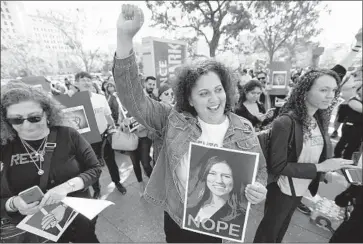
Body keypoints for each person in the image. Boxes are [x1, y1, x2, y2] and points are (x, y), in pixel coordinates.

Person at [113, 5, 267, 243]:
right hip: (178, 219)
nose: (215, 99)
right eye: (204, 93)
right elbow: (133, 98)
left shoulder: (244, 127)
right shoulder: (172, 120)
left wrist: (258, 188)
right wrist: (124, 38)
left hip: (218, 223)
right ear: (190, 100)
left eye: (218, 90)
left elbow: (260, 171)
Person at [253, 36, 362, 242]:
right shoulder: (286, 121)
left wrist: (356, 48)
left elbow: (336, 73)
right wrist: (321, 167)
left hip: (301, 187)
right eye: (323, 90)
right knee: (269, 233)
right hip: (282, 190)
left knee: (280, 230)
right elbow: (278, 166)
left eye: (333, 91)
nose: (330, 95)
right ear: (305, 92)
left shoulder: (319, 116)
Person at [0, 82, 102, 243]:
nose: (27, 125)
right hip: (38, 232)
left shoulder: (68, 135)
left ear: (47, 113)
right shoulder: (4, 148)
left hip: (79, 219)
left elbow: (94, 169)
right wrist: (13, 204)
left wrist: (66, 187)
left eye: (34, 118)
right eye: (16, 120)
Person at [74, 72, 127, 199]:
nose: (86, 82)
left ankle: (117, 182)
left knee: (111, 161)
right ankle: (96, 189)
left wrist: (112, 129)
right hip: (86, 140)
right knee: (92, 166)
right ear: (76, 83)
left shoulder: (100, 98)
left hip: (104, 137)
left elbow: (108, 116)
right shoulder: (73, 100)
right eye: (83, 80)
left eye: (88, 79)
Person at [185, 156, 246, 239]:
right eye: (212, 173)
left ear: (235, 180)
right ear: (205, 176)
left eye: (226, 176)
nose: (218, 181)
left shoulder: (241, 218)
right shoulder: (190, 206)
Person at [334, 84, 363, 159]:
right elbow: (360, 108)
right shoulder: (353, 100)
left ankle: (347, 158)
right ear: (359, 90)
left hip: (360, 126)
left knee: (354, 144)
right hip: (350, 125)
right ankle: (337, 155)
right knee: (344, 141)